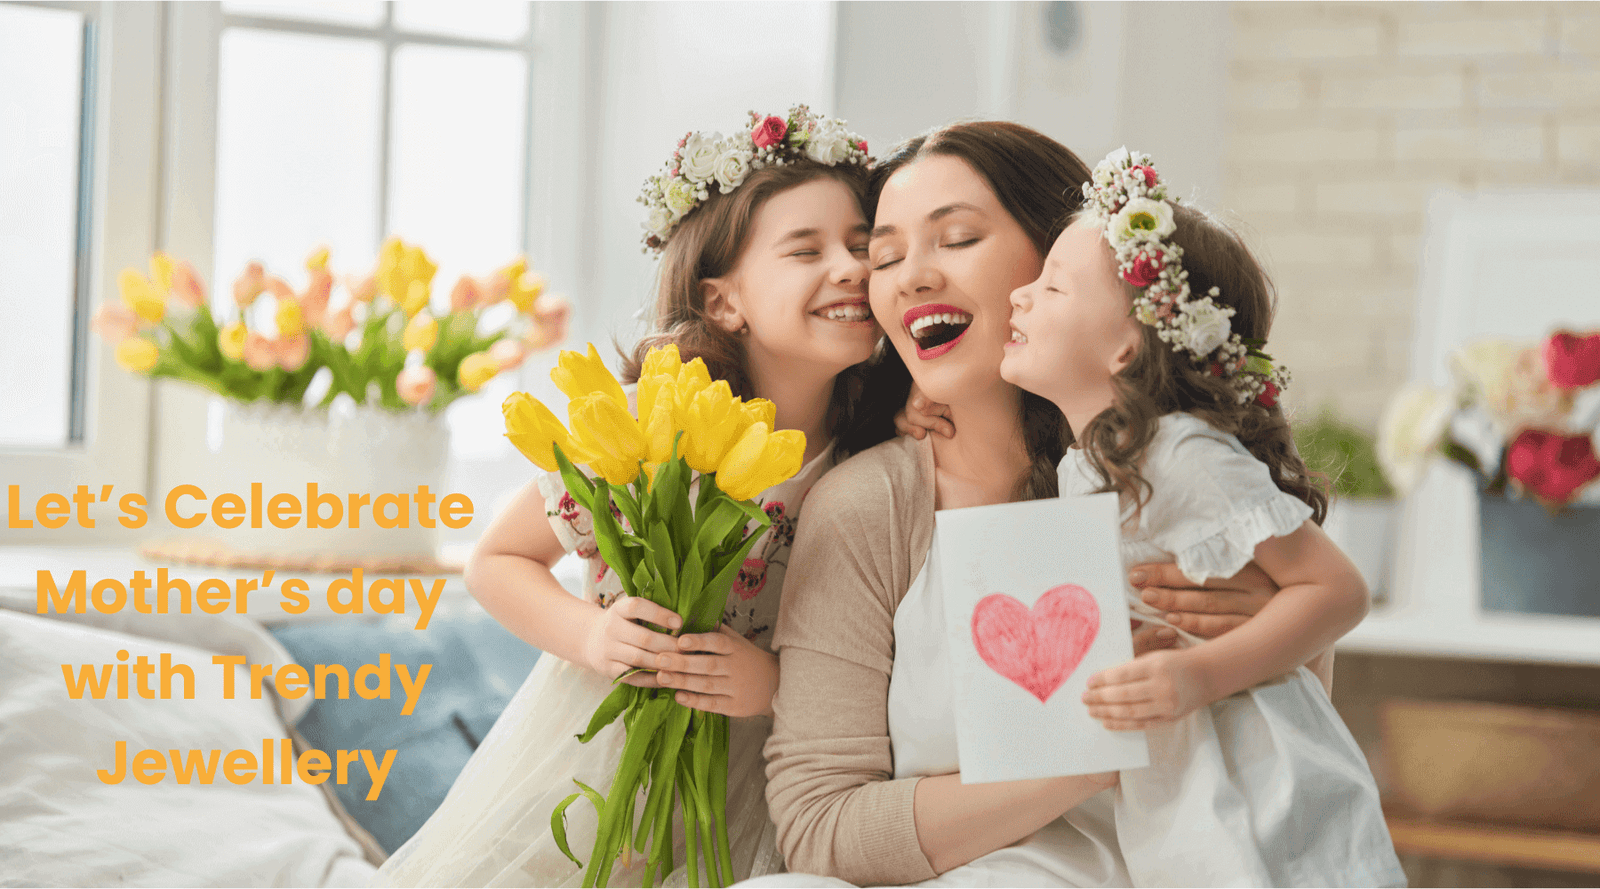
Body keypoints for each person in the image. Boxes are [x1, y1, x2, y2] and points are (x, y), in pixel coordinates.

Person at [751, 122, 1320, 888]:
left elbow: (1298, 735)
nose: (909, 276)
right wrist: (1094, 754)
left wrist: (1252, 646)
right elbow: (820, 829)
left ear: (1062, 258)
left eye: (955, 238)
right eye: (884, 257)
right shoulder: (868, 506)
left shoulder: (1175, 477)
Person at [378, 105, 883, 887]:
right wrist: (591, 637)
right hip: (599, 765)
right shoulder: (652, 427)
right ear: (724, 303)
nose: (851, 267)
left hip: (757, 786)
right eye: (805, 249)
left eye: (862, 245)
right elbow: (496, 560)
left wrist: (778, 685)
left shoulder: (877, 463)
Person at [1001, 148, 1403, 886]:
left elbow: (1337, 590)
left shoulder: (1179, 450)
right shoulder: (1081, 467)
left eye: (1052, 286)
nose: (1019, 297)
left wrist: (1197, 675)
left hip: (1268, 788)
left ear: (1128, 343)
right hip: (1180, 791)